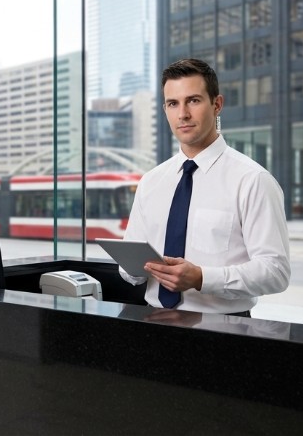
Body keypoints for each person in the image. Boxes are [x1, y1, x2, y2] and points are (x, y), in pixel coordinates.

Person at [120, 58, 290, 315]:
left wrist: (201, 277)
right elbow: (129, 271)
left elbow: (275, 272)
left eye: (194, 100)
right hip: (153, 324)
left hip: (224, 331)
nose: (183, 114)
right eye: (173, 103)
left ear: (217, 104)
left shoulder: (252, 180)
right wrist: (133, 268)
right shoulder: (151, 182)